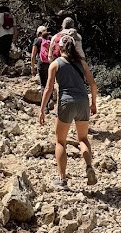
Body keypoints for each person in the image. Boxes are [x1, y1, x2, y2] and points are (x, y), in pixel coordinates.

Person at [39, 33, 98, 189]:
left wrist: (42, 109)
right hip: (83, 102)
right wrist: (93, 104)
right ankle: (89, 166)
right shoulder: (82, 63)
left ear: (60, 47)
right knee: (83, 139)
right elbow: (93, 85)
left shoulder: (55, 64)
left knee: (60, 142)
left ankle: (62, 179)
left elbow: (48, 88)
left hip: (66, 102)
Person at [0, 4, 17, 74]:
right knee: (7, 51)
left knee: (1, 52)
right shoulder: (11, 16)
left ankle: (5, 65)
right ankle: (7, 66)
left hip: (2, 35)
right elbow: (15, 28)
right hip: (10, 35)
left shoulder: (0, 15)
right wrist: (14, 37)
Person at [31, 25, 51, 95]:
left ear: (38, 33)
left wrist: (33, 67)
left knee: (43, 84)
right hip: (50, 62)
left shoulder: (37, 40)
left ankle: (45, 103)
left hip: (41, 62)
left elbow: (33, 55)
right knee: (49, 83)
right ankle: (50, 100)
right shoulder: (50, 40)